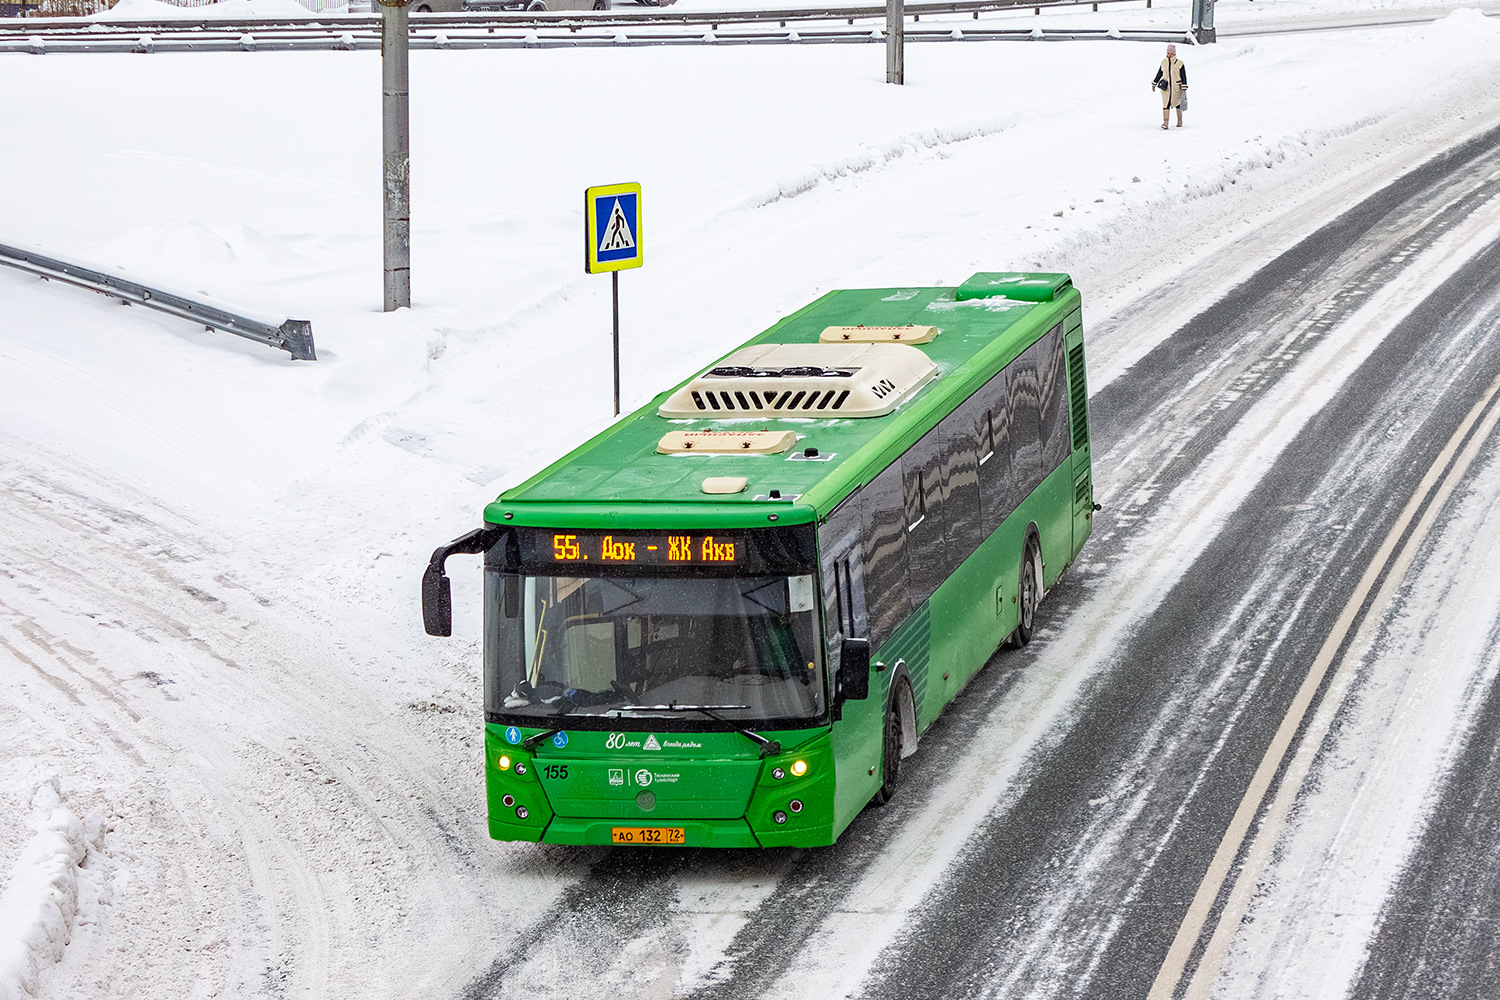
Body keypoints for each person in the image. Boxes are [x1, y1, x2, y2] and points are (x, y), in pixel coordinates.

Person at [1152, 44, 1188, 130]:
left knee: (1177, 104)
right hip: (1166, 88)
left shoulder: (1180, 63)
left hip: (1176, 87)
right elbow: (1159, 73)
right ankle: (1165, 123)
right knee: (1166, 104)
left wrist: (1184, 86)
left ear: (1174, 53)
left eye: (1171, 53)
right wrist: (1154, 82)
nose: (1169, 54)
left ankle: (1179, 121)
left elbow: (1183, 76)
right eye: (1168, 52)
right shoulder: (1163, 62)